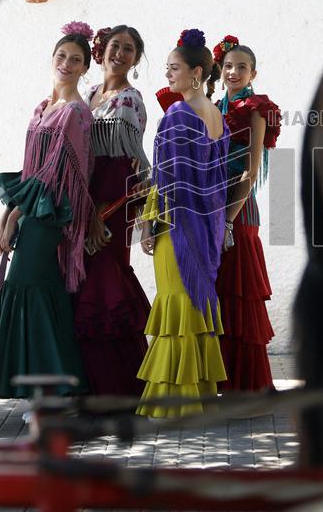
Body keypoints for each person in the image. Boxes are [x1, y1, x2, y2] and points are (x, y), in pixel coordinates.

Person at [0, 23, 95, 401]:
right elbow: (29, 170)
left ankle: (51, 393)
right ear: (52, 59)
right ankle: (53, 390)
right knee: (39, 293)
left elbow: (54, 177)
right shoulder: (43, 108)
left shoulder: (75, 113)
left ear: (85, 68)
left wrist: (13, 217)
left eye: (76, 60)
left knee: (30, 291)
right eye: (61, 56)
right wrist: (7, 213)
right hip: (29, 211)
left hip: (49, 215)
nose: (67, 64)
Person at [136, 28, 228, 417]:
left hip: (177, 227)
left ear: (196, 73)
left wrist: (148, 223)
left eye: (173, 69)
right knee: (194, 308)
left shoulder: (178, 114)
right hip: (208, 227)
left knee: (175, 306)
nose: (168, 75)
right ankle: (199, 396)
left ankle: (173, 404)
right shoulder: (217, 115)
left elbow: (167, 178)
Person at [75, 25, 152, 395]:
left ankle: (118, 385)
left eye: (129, 49)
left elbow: (135, 161)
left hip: (113, 200)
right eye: (115, 46)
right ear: (101, 49)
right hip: (83, 197)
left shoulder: (131, 99)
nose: (119, 54)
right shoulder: (88, 94)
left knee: (107, 281)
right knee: (84, 280)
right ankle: (89, 381)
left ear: (136, 59)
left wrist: (116, 206)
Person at [213, 36, 281, 391]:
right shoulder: (213, 106)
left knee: (239, 291)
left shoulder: (255, 108)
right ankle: (219, 376)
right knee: (217, 291)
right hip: (210, 207)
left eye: (242, 66)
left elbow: (251, 170)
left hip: (238, 210)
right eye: (228, 66)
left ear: (254, 72)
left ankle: (247, 382)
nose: (233, 72)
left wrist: (227, 218)